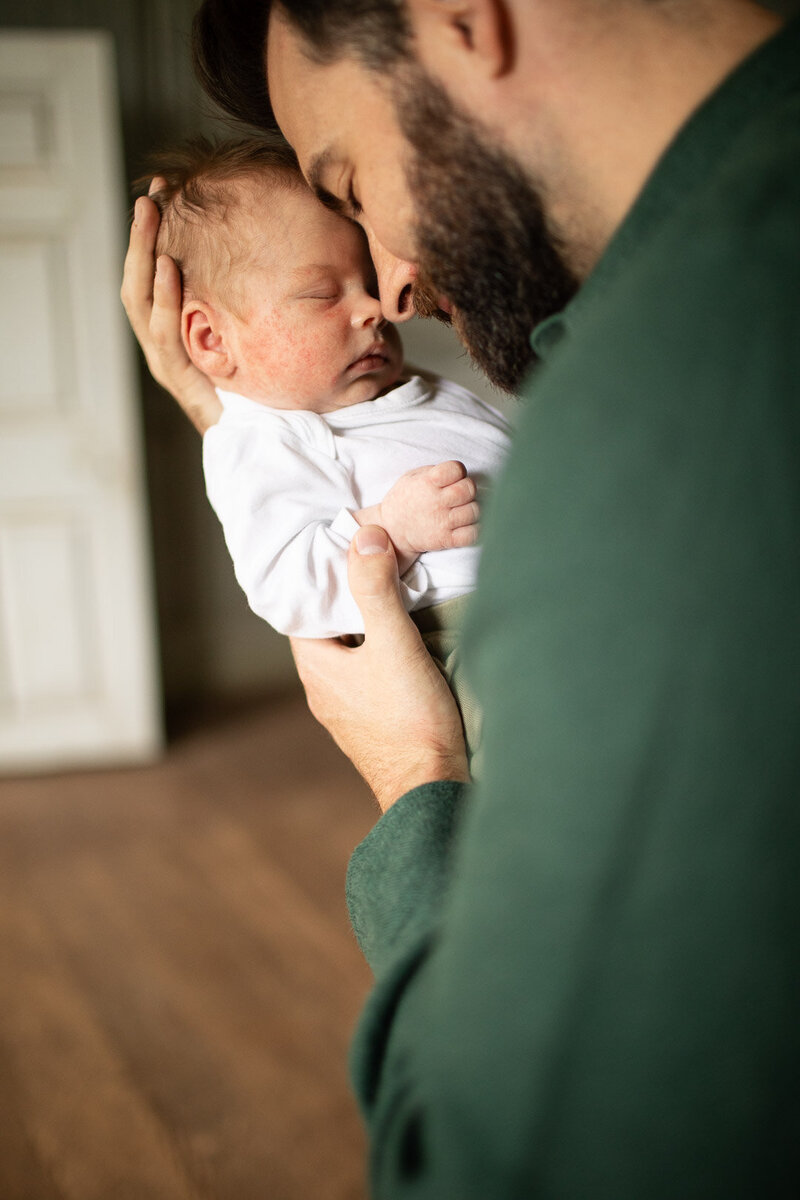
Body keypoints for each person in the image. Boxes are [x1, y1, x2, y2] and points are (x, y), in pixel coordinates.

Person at [122, 2, 800, 1196]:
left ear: (462, 20)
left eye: (353, 180)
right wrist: (237, 417)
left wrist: (410, 782)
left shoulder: (668, 408)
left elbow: (502, 1166)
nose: (389, 283)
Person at [144, 135, 511, 755]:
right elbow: (289, 587)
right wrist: (391, 528)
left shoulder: (404, 386)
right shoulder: (257, 440)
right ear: (209, 337)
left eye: (367, 281)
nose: (374, 308)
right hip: (469, 636)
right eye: (322, 294)